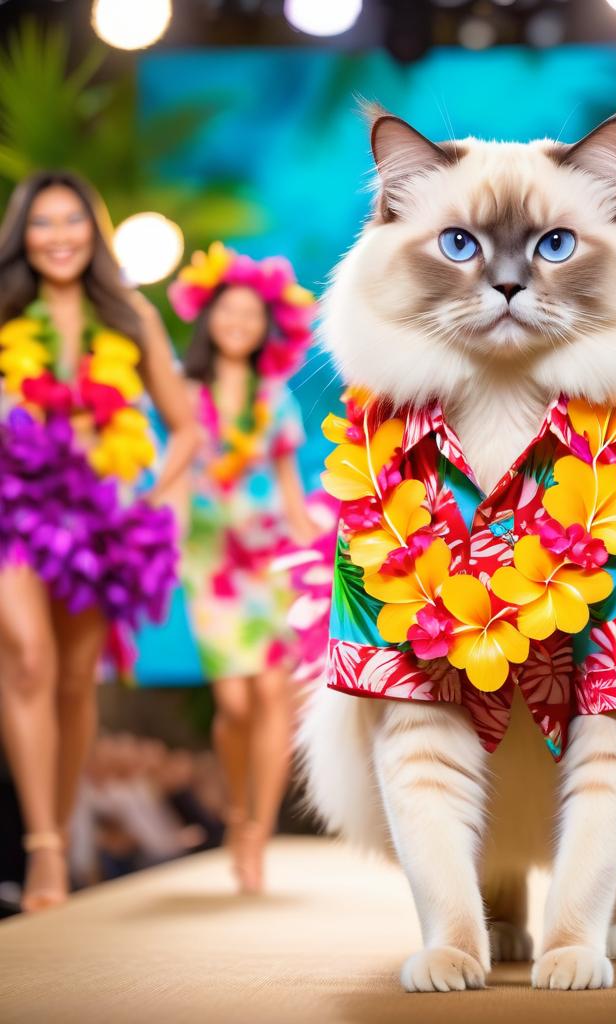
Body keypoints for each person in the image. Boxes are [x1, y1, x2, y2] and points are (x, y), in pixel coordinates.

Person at [0, 171, 196, 912]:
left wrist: (162, 501)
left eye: (71, 221)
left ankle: (66, 831)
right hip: (11, 505)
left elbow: (183, 426)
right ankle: (44, 848)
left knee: (77, 681)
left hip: (97, 519)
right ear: (24, 235)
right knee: (27, 660)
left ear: (94, 230)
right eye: (42, 223)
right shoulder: (4, 310)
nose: (58, 237)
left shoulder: (129, 318)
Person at [171, 242, 317, 893]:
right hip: (210, 561)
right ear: (209, 317)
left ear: (266, 329)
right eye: (228, 311)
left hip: (268, 561)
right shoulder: (184, 389)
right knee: (233, 702)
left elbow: (290, 490)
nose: (238, 323)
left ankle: (257, 830)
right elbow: (175, 473)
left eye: (251, 315)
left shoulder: (276, 398)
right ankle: (236, 809)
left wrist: (320, 546)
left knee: (271, 695)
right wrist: (165, 540)